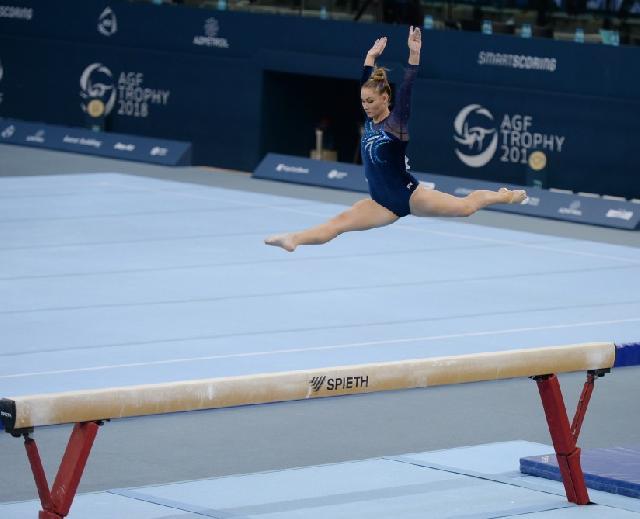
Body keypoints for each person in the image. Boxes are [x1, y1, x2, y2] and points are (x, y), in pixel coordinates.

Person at [265, 27, 526, 252]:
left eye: (370, 101)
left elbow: (408, 87)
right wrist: (370, 57)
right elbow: (365, 82)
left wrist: (414, 53)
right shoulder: (370, 119)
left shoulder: (396, 123)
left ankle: (504, 196)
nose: (365, 106)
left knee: (466, 208)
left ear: (385, 99)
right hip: (380, 203)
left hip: (409, 196)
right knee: (337, 224)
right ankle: (293, 239)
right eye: (363, 101)